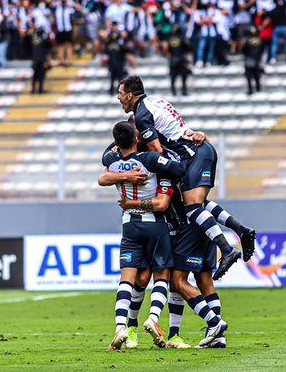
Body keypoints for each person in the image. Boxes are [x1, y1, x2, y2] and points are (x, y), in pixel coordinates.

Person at [117, 76, 256, 280]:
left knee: (191, 207)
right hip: (200, 150)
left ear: (129, 95)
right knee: (199, 203)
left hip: (193, 156)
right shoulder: (157, 102)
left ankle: (226, 249)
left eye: (120, 94)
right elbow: (177, 129)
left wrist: (166, 172)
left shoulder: (141, 114)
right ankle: (241, 230)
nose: (118, 98)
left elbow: (157, 150)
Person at [98, 121, 185, 351]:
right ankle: (154, 319)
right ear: (137, 139)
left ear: (117, 143)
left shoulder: (112, 162)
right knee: (162, 276)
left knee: (127, 279)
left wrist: (123, 176)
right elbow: (178, 170)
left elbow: (102, 176)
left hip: (129, 224)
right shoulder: (149, 160)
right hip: (154, 223)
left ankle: (120, 327)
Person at [169, 218, 229, 348]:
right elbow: (209, 204)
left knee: (176, 280)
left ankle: (214, 322)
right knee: (205, 281)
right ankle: (217, 337)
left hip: (188, 229)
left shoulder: (187, 197)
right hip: (206, 227)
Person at [167, 25, 192, 96]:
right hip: (182, 59)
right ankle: (184, 91)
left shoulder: (171, 39)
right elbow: (189, 47)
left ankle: (173, 91)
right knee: (184, 76)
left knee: (173, 77)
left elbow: (169, 49)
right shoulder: (183, 38)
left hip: (173, 59)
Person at [240, 26, 263, 95]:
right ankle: (258, 88)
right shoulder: (260, 41)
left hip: (248, 61)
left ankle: (250, 89)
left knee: (249, 76)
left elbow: (242, 50)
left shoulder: (246, 41)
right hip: (257, 61)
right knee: (257, 76)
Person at [31, 28, 51, 94]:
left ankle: (33, 90)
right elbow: (47, 51)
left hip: (35, 60)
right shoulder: (44, 41)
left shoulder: (34, 40)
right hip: (42, 60)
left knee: (35, 76)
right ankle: (40, 90)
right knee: (41, 76)